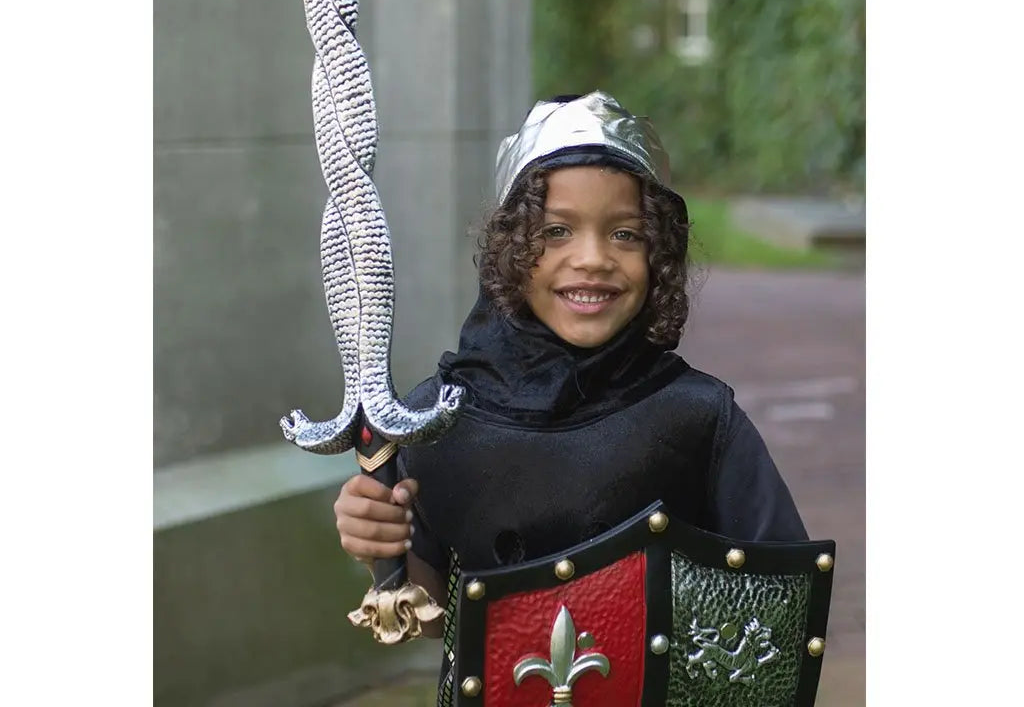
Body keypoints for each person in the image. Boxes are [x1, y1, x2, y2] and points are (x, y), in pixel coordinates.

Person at [333, 91, 807, 653]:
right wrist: (382, 551)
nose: (592, 258)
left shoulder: (699, 419)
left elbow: (781, 608)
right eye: (556, 231)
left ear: (658, 251)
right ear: (511, 246)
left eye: (625, 234)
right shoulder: (437, 422)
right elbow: (437, 616)